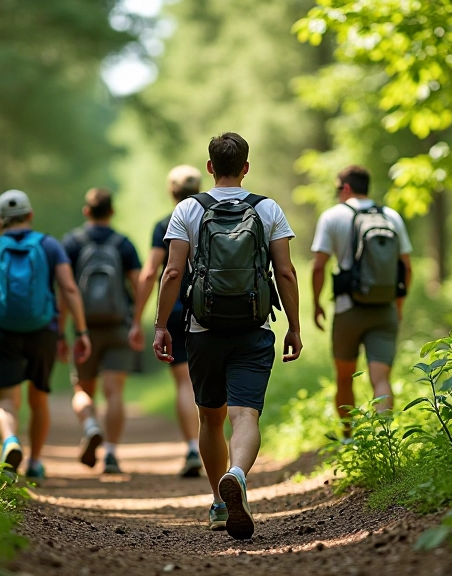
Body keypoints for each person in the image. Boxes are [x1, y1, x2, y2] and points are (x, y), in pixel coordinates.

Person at [153, 132, 303, 540]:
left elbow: (171, 272)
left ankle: (220, 503)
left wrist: (161, 325)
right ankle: (237, 474)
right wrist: (294, 325)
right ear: (246, 168)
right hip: (253, 328)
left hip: (203, 329)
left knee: (210, 416)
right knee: (245, 415)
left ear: (210, 167)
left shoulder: (188, 209)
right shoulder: (267, 208)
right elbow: (285, 272)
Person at [0, 189, 92, 480]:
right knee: (38, 399)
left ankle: (10, 440)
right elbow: (69, 289)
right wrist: (80, 331)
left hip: (3, 332)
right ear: (30, 215)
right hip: (43, 331)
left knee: (7, 401)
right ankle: (34, 461)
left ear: (0, 222)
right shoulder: (50, 246)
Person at [310, 165, 413, 438]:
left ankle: (348, 437)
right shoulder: (391, 216)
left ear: (345, 188)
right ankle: (385, 441)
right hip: (385, 309)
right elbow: (406, 268)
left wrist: (317, 303)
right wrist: (398, 306)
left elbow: (318, 266)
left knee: (345, 377)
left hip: (347, 310)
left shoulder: (332, 217)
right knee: (381, 379)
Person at [129, 165, 205, 478]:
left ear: (170, 191)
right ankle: (219, 446)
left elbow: (150, 273)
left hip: (176, 310)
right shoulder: (213, 218)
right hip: (212, 307)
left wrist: (138, 318)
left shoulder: (166, 222)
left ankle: (192, 446)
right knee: (213, 378)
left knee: (184, 383)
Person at [60, 188, 142, 474]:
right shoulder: (124, 244)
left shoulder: (71, 243)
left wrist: (62, 329)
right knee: (114, 391)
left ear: (86, 211)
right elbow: (139, 283)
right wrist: (137, 320)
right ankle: (111, 453)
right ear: (112, 211)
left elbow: (65, 289)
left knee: (83, 389)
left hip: (85, 329)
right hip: (119, 326)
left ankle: (91, 425)